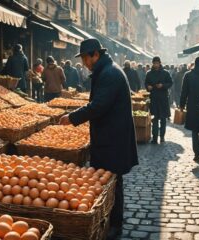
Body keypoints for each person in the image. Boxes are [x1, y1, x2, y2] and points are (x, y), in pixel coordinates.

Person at [59, 38, 138, 240]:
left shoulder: (109, 73)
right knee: (111, 180)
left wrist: (72, 117)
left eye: (86, 58)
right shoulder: (106, 70)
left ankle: (115, 224)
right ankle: (113, 220)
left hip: (113, 137)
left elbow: (99, 105)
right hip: (111, 134)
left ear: (95, 54)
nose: (84, 62)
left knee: (112, 181)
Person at [145, 56, 173, 144]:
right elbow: (146, 83)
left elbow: (170, 83)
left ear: (160, 63)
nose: (156, 64)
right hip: (153, 98)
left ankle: (162, 137)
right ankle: (154, 137)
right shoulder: (149, 73)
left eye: (157, 63)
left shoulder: (165, 73)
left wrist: (163, 85)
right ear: (152, 63)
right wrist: (148, 87)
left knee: (163, 119)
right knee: (154, 119)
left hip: (163, 98)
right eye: (154, 63)